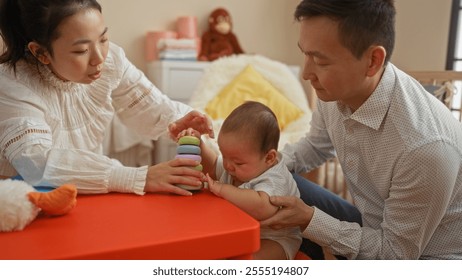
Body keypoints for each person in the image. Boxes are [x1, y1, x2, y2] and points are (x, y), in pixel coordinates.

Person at [261, 0, 462, 260]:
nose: (307, 73)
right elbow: (315, 146)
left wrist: (311, 221)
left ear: (373, 61)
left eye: (320, 61)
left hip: (421, 257)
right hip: (370, 227)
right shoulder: (334, 93)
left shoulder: (424, 149)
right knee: (273, 183)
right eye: (305, 54)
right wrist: (260, 165)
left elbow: (394, 255)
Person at [0, 0, 214, 196]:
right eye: (81, 50)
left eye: (103, 39)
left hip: (82, 196)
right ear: (40, 53)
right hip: (21, 204)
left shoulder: (110, 61)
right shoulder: (12, 84)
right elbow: (38, 162)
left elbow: (149, 105)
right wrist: (137, 177)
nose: (99, 58)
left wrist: (177, 121)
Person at [178, 101, 302, 260]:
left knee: (250, 262)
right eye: (225, 155)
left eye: (238, 162)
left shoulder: (275, 177)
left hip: (272, 238)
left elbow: (262, 207)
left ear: (269, 158)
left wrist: (222, 189)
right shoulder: (235, 165)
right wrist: (198, 144)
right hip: (238, 230)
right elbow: (213, 165)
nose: (228, 166)